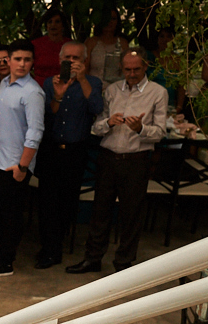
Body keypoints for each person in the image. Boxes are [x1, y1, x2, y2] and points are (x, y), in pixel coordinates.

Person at [67, 52, 167, 274]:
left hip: (136, 159)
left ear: (145, 67)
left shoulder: (158, 93)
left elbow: (160, 132)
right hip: (108, 156)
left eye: (136, 70)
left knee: (131, 214)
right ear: (122, 69)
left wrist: (140, 128)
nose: (131, 74)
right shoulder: (112, 90)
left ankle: (124, 263)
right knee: (100, 210)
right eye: (127, 70)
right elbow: (96, 127)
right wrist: (108, 123)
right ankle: (92, 258)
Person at [0, 39, 44, 278]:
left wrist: (23, 166)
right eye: (17, 59)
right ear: (8, 61)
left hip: (15, 164)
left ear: (32, 62)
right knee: (1, 214)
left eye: (27, 59)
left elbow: (35, 133)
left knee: (11, 215)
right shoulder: (4, 83)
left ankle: (5, 261)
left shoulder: (33, 92)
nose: (22, 64)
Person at [34, 42, 103, 269]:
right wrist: (58, 95)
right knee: (46, 200)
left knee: (67, 201)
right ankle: (49, 249)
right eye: (68, 58)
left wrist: (82, 79)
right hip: (52, 148)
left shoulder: (93, 83)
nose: (72, 62)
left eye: (77, 58)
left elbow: (96, 108)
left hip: (76, 150)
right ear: (60, 59)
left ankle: (58, 242)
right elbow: (48, 114)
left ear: (84, 61)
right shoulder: (50, 82)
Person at [85, 7, 130, 85]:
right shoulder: (91, 42)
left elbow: (128, 68)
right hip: (94, 88)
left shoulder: (123, 43)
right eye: (107, 18)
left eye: (113, 19)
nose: (110, 22)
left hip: (118, 89)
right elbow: (84, 69)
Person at [31, 8, 69, 84]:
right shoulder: (35, 44)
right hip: (39, 87)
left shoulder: (70, 45)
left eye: (57, 22)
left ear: (63, 25)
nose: (53, 25)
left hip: (63, 86)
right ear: (46, 26)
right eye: (50, 22)